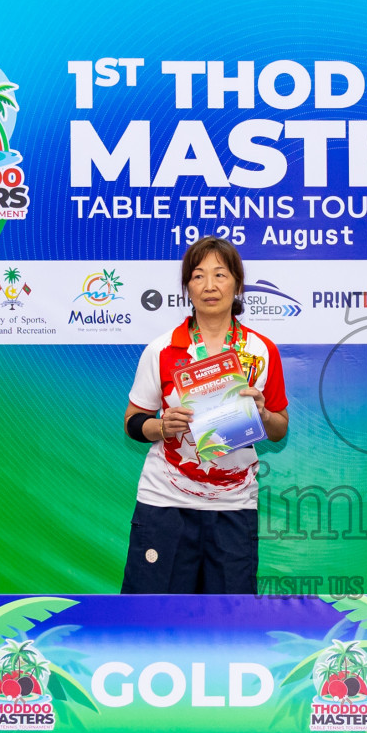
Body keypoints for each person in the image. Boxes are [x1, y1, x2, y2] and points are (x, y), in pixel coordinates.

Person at [122, 236, 288, 594]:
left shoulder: (261, 351)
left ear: (238, 284)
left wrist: (262, 412)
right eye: (198, 276)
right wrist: (161, 426)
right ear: (187, 288)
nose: (209, 286)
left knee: (229, 624)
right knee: (152, 617)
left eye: (220, 275)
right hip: (165, 502)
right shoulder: (162, 349)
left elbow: (280, 429)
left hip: (233, 505)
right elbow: (133, 421)